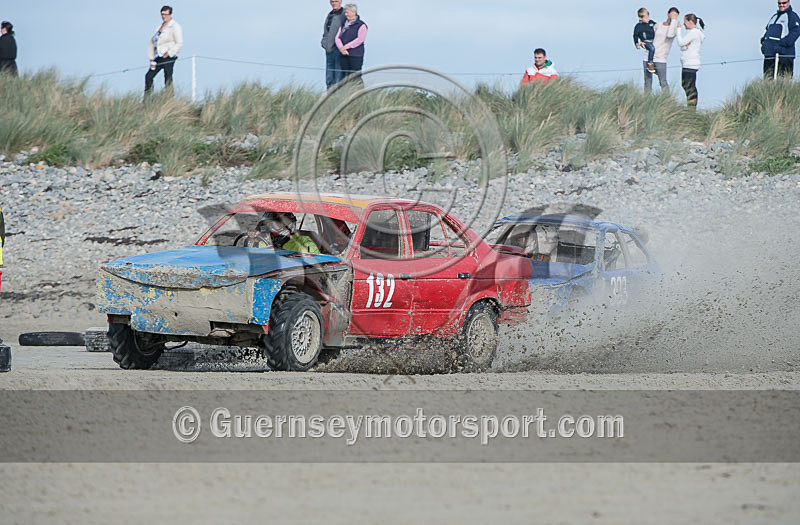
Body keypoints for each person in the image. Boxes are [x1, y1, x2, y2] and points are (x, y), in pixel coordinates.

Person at [145, 5, 183, 96]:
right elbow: (154, 43)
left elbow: (179, 43)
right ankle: (147, 99)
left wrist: (169, 53)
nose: (163, 16)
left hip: (169, 56)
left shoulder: (175, 26)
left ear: (170, 14)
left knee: (168, 77)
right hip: (157, 56)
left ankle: (169, 99)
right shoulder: (159, 27)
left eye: (166, 14)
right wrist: (152, 58)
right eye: (162, 14)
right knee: (148, 76)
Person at [761, 0, 800, 79]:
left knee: (784, 80)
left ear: (788, 3)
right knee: (768, 80)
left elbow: (795, 32)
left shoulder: (792, 16)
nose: (781, 5)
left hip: (784, 54)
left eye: (784, 3)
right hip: (770, 55)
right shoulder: (774, 17)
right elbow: (768, 31)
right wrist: (764, 42)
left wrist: (783, 43)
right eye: (779, 3)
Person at [645, 7, 680, 93]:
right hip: (649, 56)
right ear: (668, 14)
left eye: (675, 15)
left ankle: (667, 101)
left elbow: (670, 35)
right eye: (671, 14)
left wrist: (674, 20)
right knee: (647, 81)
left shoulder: (674, 29)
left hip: (661, 58)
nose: (672, 16)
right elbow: (651, 36)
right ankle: (646, 100)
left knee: (663, 81)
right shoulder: (658, 25)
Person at [676, 14, 705, 109]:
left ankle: (691, 108)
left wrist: (678, 30)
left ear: (689, 21)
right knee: (686, 85)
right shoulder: (696, 33)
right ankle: (691, 106)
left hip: (690, 63)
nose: (683, 24)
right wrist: (684, 47)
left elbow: (680, 42)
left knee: (689, 86)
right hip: (689, 63)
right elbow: (684, 46)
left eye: (684, 22)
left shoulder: (694, 32)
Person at [335, 4, 368, 81]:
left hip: (355, 55)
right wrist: (341, 48)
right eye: (345, 13)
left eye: (347, 12)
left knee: (355, 77)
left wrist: (345, 47)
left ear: (354, 12)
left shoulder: (361, 25)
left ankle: (360, 92)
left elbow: (360, 39)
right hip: (343, 54)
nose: (346, 14)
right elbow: (337, 37)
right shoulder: (343, 24)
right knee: (345, 77)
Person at [322, 0, 346, 88]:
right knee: (329, 77)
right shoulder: (330, 14)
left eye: (336, 1)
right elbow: (326, 31)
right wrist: (324, 42)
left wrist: (341, 46)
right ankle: (329, 97)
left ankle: (339, 97)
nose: (334, 3)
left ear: (340, 1)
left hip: (338, 49)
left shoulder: (344, 14)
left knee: (338, 76)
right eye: (332, 1)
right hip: (329, 49)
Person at [633, 8, 657, 74]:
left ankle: (656, 65)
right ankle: (650, 63)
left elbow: (658, 27)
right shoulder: (638, 26)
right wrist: (637, 44)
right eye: (646, 18)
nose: (648, 19)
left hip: (653, 40)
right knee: (652, 49)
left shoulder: (651, 22)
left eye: (648, 17)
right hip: (646, 41)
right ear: (640, 18)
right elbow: (635, 35)